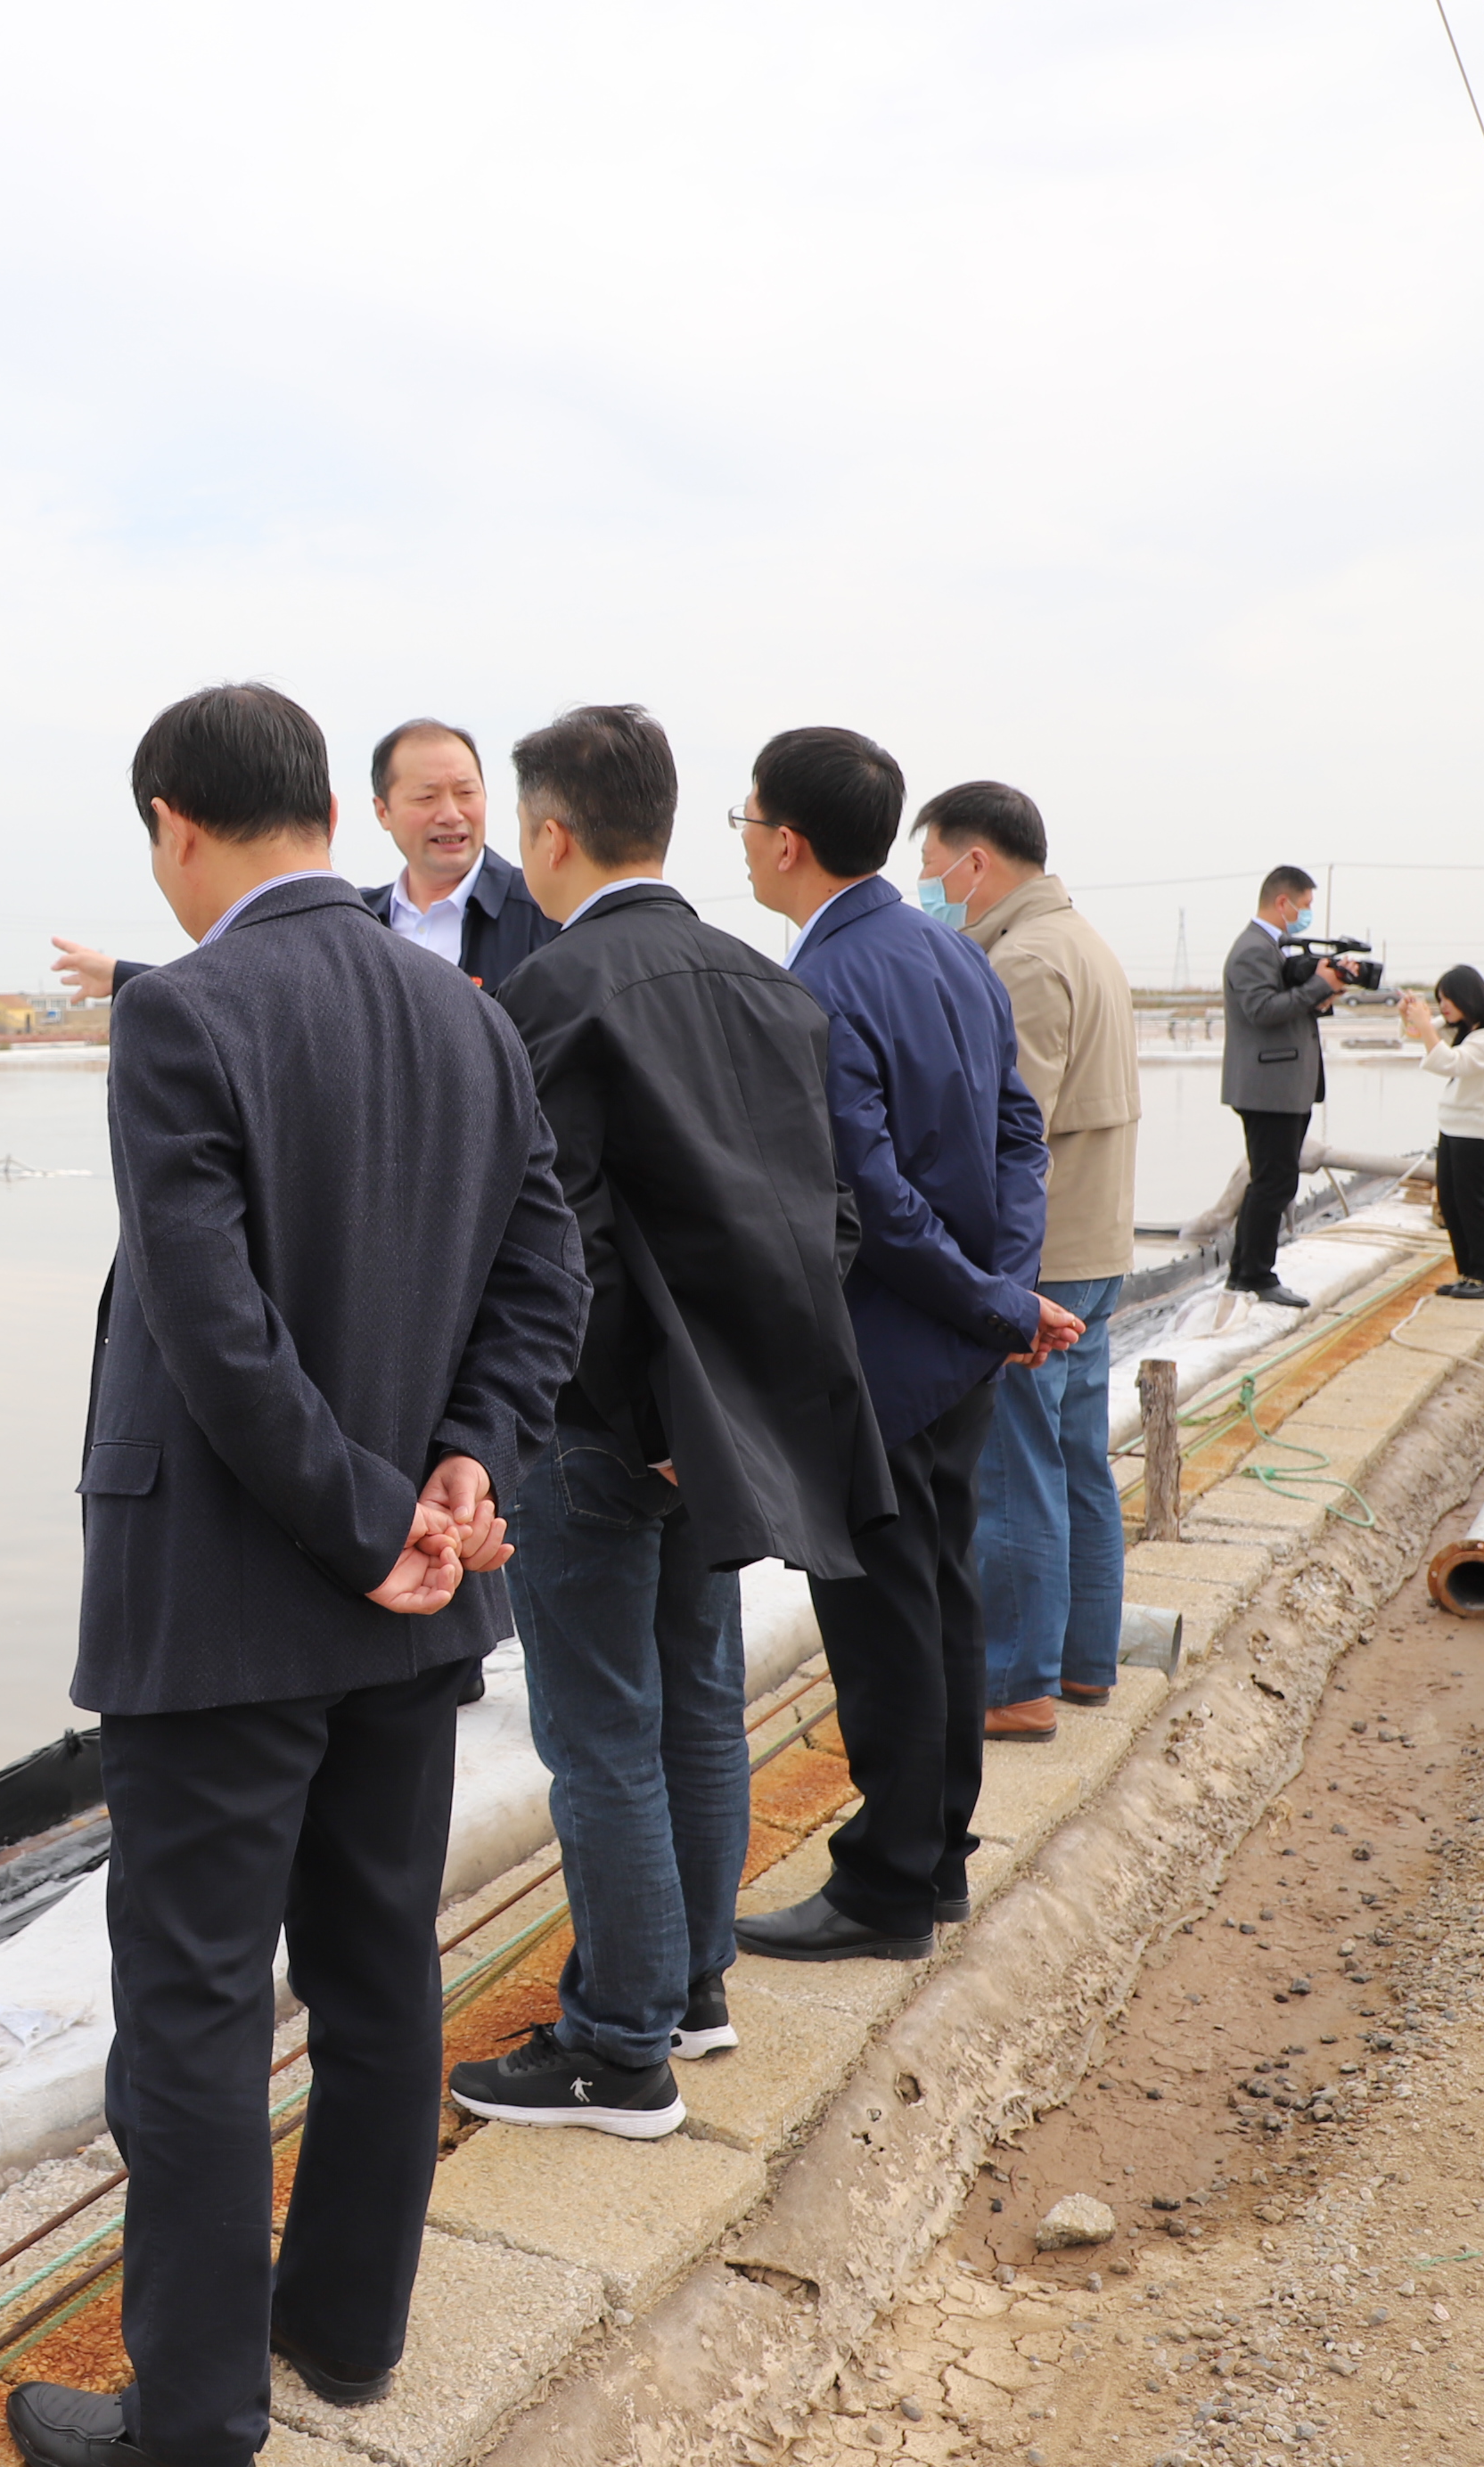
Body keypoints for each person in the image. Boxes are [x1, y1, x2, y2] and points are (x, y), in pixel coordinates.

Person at [4, 684, 585, 2467]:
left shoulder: (181, 1011)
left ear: (174, 825)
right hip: (411, 1611)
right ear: (333, 812)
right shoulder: (462, 1012)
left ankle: (191, 2417)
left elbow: (214, 1327)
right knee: (376, 1969)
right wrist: (464, 1465)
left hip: (227, 1603)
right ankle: (343, 2324)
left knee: (192, 2016)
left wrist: (366, 1517)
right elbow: (544, 1276)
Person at [436, 705, 890, 2135]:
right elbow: (832, 1224)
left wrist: (638, 1412)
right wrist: (727, 1404)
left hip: (598, 1425)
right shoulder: (772, 988)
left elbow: (556, 1244)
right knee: (697, 1706)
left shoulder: (551, 993)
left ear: (549, 834)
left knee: (601, 1738)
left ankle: (618, 2045)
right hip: (723, 1428)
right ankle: (692, 1990)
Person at [728, 728, 1074, 1967]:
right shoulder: (953, 952)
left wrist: (992, 1302)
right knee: (940, 1598)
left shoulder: (820, 982)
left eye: (745, 822)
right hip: (959, 1346)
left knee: (883, 1623)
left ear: (786, 841)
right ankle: (934, 1861)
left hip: (883, 1351)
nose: (744, 844)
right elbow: (1020, 1135)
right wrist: (1004, 1292)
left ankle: (884, 1884)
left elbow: (863, 1196)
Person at [914, 783, 1138, 1746]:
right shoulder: (1081, 940)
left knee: (1013, 1471)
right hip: (1097, 1242)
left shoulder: (1024, 961)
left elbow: (1009, 1136)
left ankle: (1015, 1680)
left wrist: (985, 1286)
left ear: (976, 863)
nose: (926, 889)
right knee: (1077, 1459)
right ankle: (1083, 1660)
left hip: (1041, 1261)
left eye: (930, 868)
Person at [45, 717, 566, 1002]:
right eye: (426, 797)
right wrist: (123, 977)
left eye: (466, 792)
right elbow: (255, 988)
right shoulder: (355, 916)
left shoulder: (547, 914)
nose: (450, 814)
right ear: (381, 811)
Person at [1220, 865, 1352, 1309]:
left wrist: (1324, 994)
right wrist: (1317, 986)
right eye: (1305, 905)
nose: (1307, 914)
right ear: (1283, 902)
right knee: (1273, 1183)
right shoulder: (1252, 950)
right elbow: (1261, 1010)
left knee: (1273, 1181)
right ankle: (1256, 1275)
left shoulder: (1271, 948)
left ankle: (1245, 1271)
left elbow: (1286, 1008)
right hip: (1268, 1088)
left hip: (1282, 1085)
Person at [1397, 966, 1484, 1302]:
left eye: (1448, 999)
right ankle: (1467, 1274)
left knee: (1472, 1203)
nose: (1443, 1007)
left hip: (1479, 1131)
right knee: (1451, 1203)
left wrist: (1425, 1025)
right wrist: (1410, 1016)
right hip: (1455, 1126)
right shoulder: (1471, 1027)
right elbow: (1418, 1034)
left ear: (1468, 997)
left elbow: (1451, 1063)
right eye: (1439, 1000)